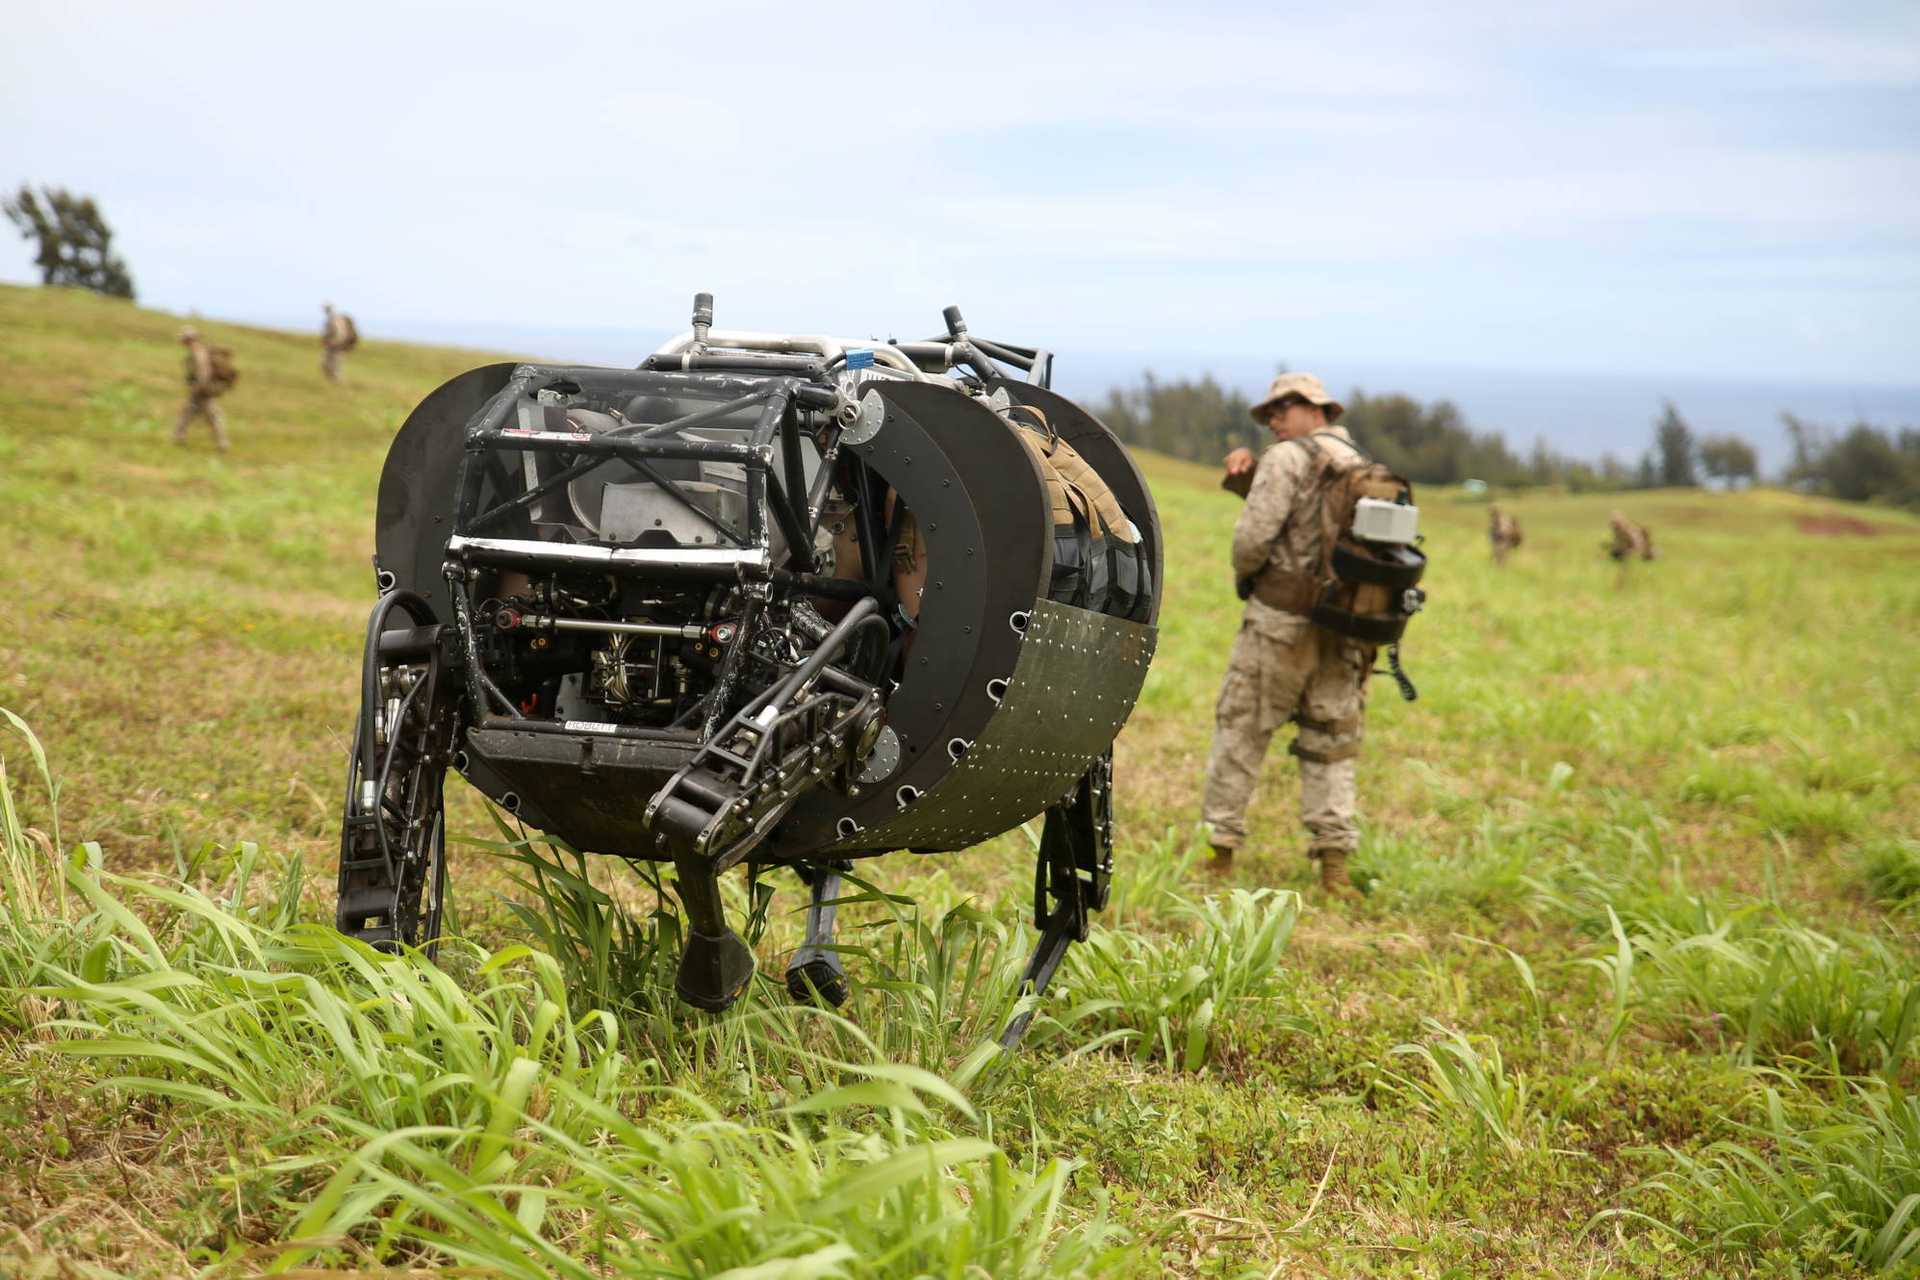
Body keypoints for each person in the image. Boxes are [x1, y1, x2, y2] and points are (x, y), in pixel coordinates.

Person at [1204, 372, 1373, 900]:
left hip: (1277, 625)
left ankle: (1221, 854)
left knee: (1242, 731)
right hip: (1345, 629)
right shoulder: (1361, 465)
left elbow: (1253, 541)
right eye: (1271, 412)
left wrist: (1250, 575)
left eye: (1284, 408)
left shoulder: (1285, 459)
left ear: (1314, 410)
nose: (1274, 419)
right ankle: (1334, 868)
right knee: (1332, 743)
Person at [172, 326, 231, 451]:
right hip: (201, 390)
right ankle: (179, 436)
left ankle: (222, 443)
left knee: (211, 415)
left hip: (202, 390)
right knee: (189, 412)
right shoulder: (198, 351)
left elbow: (204, 373)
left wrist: (198, 388)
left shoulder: (198, 353)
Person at [321, 302, 358, 383]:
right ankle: (332, 384)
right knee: (328, 365)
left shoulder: (335, 320)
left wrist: (334, 343)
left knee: (334, 366)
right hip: (336, 346)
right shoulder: (334, 319)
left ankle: (337, 384)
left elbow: (339, 334)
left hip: (337, 346)